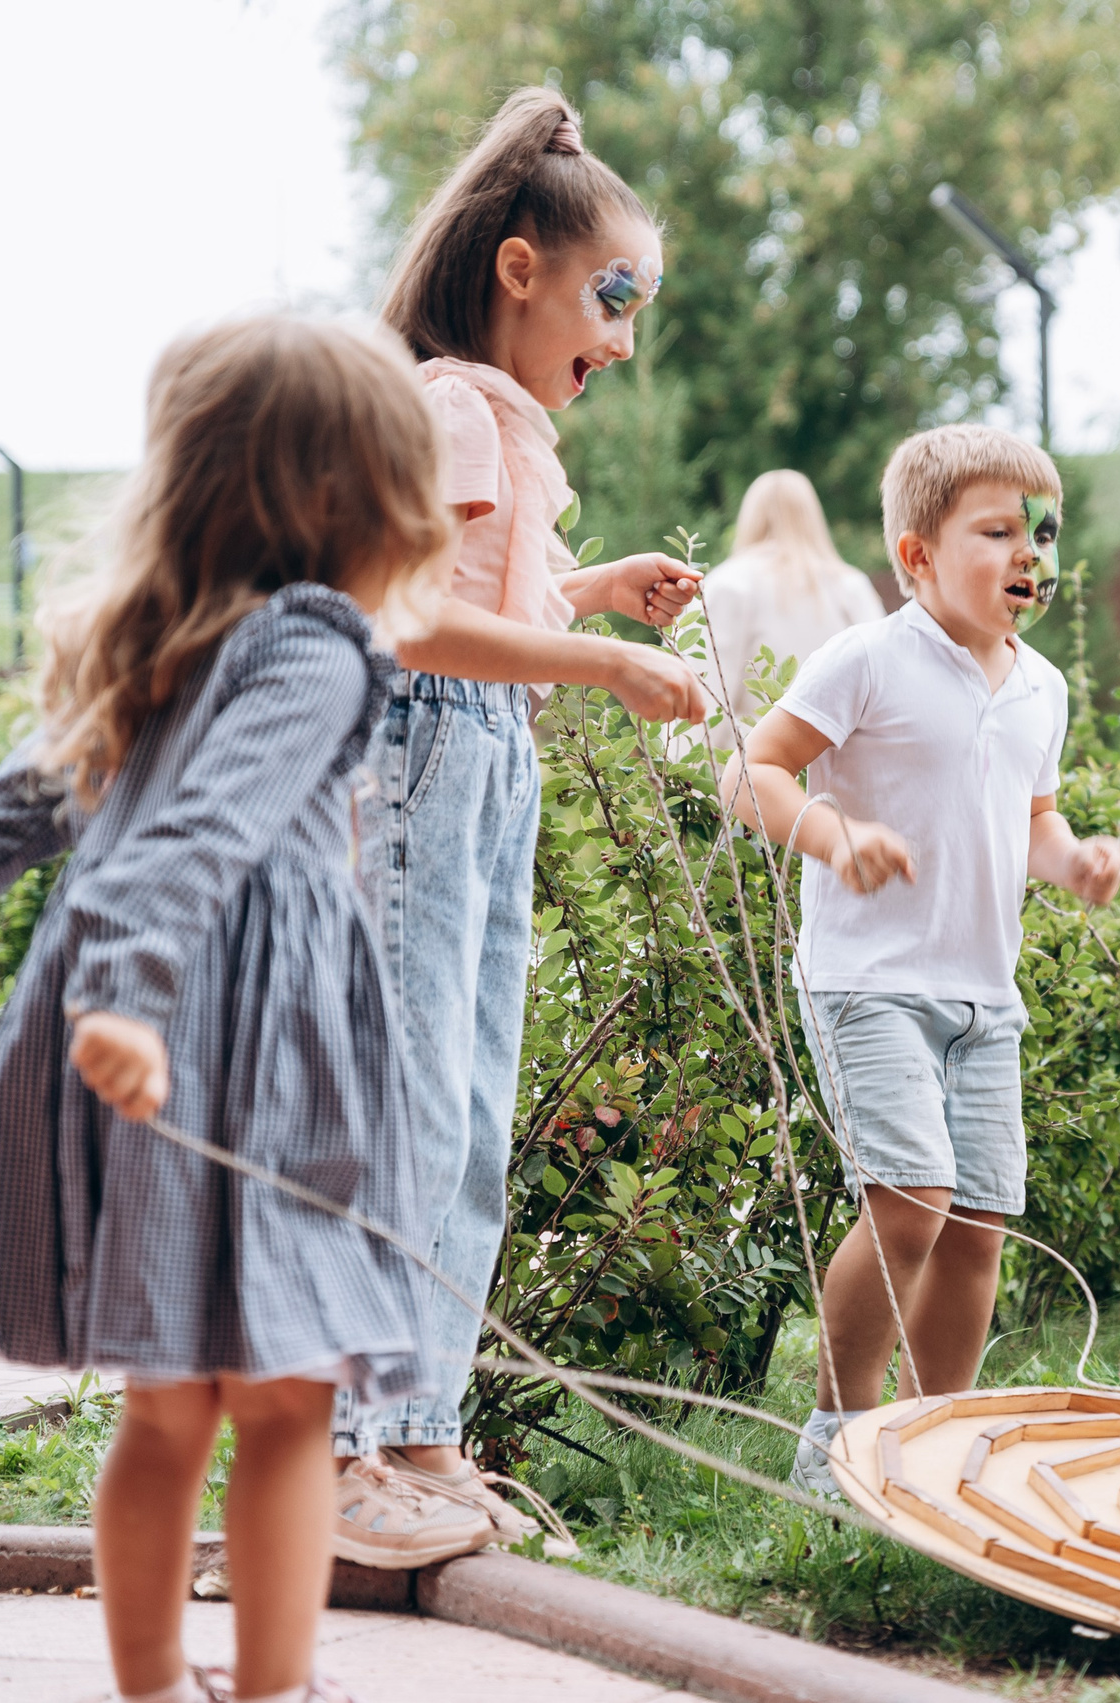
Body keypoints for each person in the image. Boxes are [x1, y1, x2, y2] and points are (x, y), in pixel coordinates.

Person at [0, 318, 454, 1703]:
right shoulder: (316, 647)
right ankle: (272, 1687)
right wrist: (130, 987)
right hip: (222, 1050)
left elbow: (1, 818)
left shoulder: (155, 638)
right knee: (284, 1399)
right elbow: (197, 835)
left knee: (167, 1404)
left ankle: (151, 1685)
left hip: (134, 1040)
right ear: (347, 497)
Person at [330, 85, 714, 1559]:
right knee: (418, 1096)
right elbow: (421, 622)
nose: (623, 336)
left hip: (482, 756)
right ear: (520, 269)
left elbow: (497, 601)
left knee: (473, 1101)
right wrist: (611, 660)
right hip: (431, 746)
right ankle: (364, 1440)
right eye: (614, 295)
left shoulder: (492, 415)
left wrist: (597, 588)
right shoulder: (452, 403)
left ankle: (424, 1423)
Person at [719, 424, 1120, 1497]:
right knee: (911, 1197)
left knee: (978, 1222)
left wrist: (1073, 861)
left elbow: (1033, 817)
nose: (1028, 552)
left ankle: (939, 1440)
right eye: (996, 530)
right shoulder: (868, 656)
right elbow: (751, 771)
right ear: (916, 556)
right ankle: (839, 1432)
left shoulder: (1041, 686)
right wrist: (831, 836)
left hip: (983, 991)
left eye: (1043, 530)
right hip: (867, 977)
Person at [699, 469, 885, 737]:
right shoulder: (853, 587)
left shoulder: (728, 584)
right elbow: (883, 690)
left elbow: (700, 697)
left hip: (749, 771)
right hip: (840, 770)